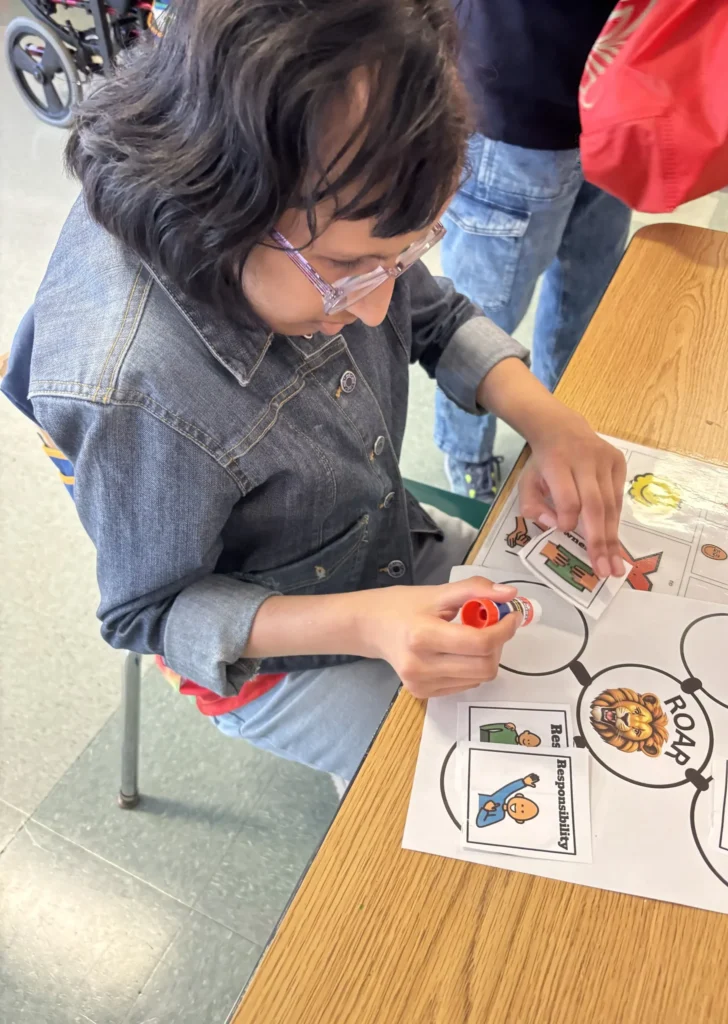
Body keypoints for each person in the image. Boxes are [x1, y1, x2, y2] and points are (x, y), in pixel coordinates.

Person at [3, 0, 626, 785]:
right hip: (267, 648)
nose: (375, 307)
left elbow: (427, 310)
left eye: (401, 257)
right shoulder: (137, 385)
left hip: (375, 538)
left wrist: (552, 422)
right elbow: (152, 613)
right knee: (442, 791)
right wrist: (367, 622)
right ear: (218, 205)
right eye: (343, 270)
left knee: (559, 657)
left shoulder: (341, 216)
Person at [437, 0, 632, 500]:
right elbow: (446, 327)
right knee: (477, 318)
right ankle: (466, 461)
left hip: (620, 104)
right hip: (516, 105)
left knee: (588, 298)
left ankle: (566, 421)